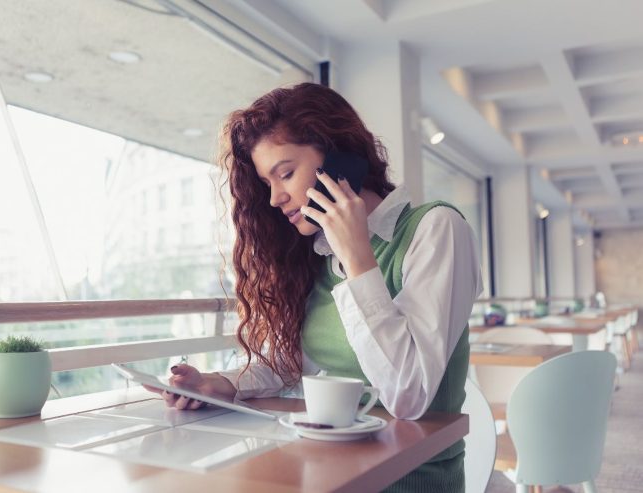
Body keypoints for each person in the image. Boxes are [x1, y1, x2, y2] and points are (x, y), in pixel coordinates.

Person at [150, 82, 482, 492]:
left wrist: (359, 258)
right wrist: (222, 384)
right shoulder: (321, 255)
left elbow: (408, 397)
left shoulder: (434, 229)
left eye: (286, 174)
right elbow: (290, 364)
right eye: (267, 182)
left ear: (340, 159)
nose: (275, 198)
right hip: (327, 471)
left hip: (408, 481)